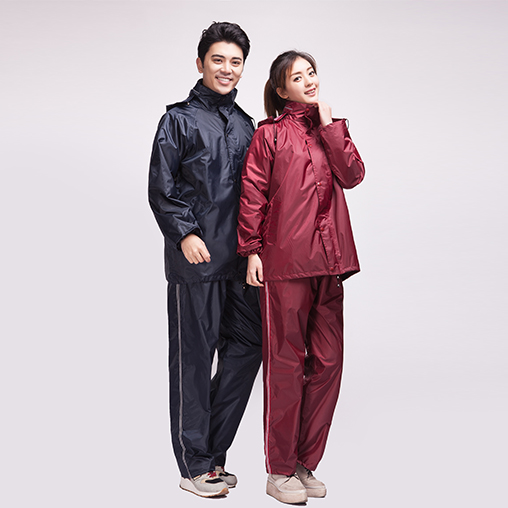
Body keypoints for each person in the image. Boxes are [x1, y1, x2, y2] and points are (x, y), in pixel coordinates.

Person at [237, 50, 365, 504]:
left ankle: (304, 462)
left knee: (328, 363)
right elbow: (253, 192)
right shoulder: (269, 134)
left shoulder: (330, 130)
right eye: (298, 76)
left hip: (330, 264)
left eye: (312, 72)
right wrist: (251, 250)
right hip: (285, 263)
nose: (309, 80)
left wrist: (331, 127)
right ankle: (279, 470)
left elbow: (353, 175)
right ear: (280, 88)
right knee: (285, 365)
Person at [148, 22, 262, 498]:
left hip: (240, 262)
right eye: (218, 59)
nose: (226, 69)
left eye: (235, 61)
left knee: (248, 348)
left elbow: (258, 194)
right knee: (194, 362)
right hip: (196, 261)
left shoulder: (247, 124)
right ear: (200, 63)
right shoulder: (178, 120)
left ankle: (211, 454)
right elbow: (162, 187)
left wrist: (256, 250)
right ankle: (194, 465)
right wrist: (185, 234)